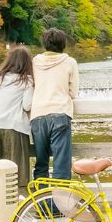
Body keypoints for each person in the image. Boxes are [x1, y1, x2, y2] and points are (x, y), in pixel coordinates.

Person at [0, 45, 35, 190]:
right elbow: (28, 106)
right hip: (16, 130)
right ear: (27, 63)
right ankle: (17, 210)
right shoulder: (26, 81)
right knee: (17, 176)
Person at [30, 28, 79, 180]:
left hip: (37, 115)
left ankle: (40, 203)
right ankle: (59, 203)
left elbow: (30, 86)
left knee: (41, 164)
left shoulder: (34, 62)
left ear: (45, 44)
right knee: (61, 165)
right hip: (60, 113)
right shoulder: (70, 62)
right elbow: (73, 92)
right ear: (63, 44)